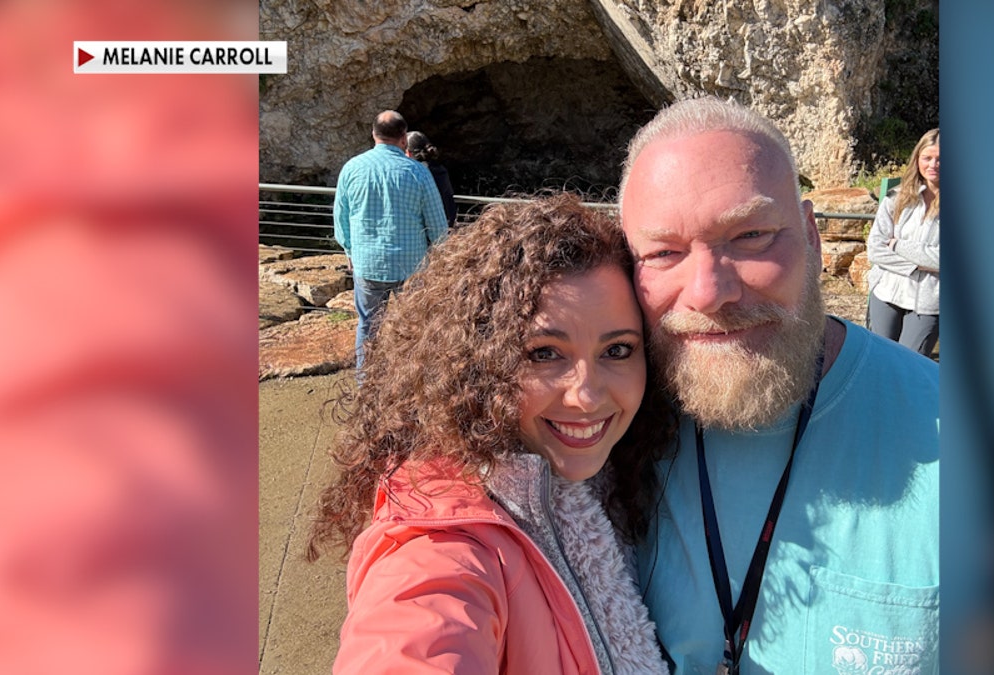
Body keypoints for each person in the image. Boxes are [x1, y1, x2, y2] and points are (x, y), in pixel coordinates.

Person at [619, 97, 939, 674]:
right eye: (664, 252)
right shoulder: (602, 429)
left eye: (753, 236)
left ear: (813, 235)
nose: (709, 292)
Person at [308, 193, 673, 674]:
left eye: (618, 350)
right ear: (477, 364)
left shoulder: (624, 480)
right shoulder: (440, 547)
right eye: (544, 353)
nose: (586, 395)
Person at [333, 110, 449, 371]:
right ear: (403, 139)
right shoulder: (418, 173)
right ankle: (410, 380)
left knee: (367, 325)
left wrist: (349, 252)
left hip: (368, 264)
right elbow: (438, 225)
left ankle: (366, 382)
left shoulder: (352, 169)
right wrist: (438, 261)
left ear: (373, 134)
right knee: (415, 326)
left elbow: (341, 219)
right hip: (412, 267)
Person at [866, 128, 940, 358]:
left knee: (909, 365)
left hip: (929, 299)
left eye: (940, 159)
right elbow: (876, 249)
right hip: (888, 290)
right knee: (877, 360)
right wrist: (919, 265)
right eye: (927, 158)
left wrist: (898, 246)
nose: (933, 164)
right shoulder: (897, 198)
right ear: (917, 159)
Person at [405, 130, 458, 226]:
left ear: (408, 153)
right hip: (445, 223)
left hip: (424, 228)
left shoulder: (414, 174)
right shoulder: (440, 170)